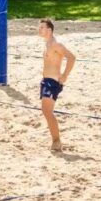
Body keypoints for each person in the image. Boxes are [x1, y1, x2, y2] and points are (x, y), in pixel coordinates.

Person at [38, 18, 76, 151]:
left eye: (42, 27)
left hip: (52, 82)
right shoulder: (47, 44)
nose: (39, 29)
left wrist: (65, 75)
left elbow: (72, 57)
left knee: (47, 112)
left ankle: (56, 141)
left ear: (49, 30)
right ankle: (55, 140)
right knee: (46, 111)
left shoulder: (56, 44)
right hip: (46, 81)